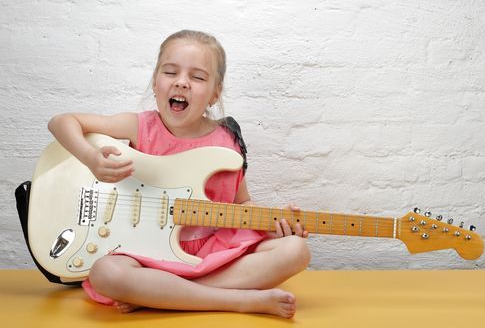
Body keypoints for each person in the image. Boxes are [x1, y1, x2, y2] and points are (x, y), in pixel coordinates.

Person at [48, 30, 310, 319]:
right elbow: (61, 122)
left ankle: (161, 295)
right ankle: (236, 300)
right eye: (170, 71)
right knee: (105, 273)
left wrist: (269, 224)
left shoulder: (228, 142)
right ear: (155, 82)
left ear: (215, 93)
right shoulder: (140, 126)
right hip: (144, 257)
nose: (182, 82)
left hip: (208, 253)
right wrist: (90, 159)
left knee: (296, 250)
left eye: (197, 77)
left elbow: (241, 205)